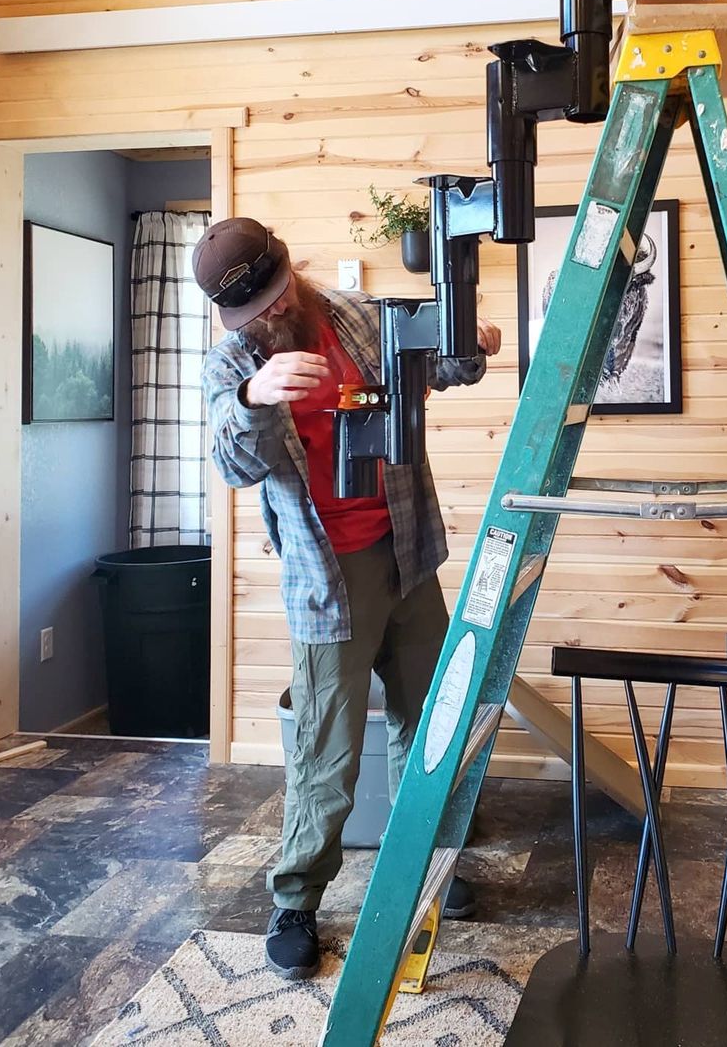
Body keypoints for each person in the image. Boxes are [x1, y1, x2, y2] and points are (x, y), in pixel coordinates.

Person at [193, 216, 502, 981]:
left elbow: (442, 367)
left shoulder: (359, 315)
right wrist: (255, 396)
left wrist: (474, 342)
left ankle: (421, 867)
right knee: (326, 752)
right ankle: (296, 899)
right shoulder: (233, 362)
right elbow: (232, 463)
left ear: (288, 270)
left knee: (425, 723)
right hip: (325, 576)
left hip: (408, 550)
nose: (266, 316)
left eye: (270, 297)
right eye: (249, 312)